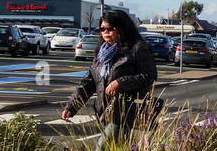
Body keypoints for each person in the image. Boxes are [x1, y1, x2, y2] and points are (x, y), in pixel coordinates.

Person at [61, 9, 159, 139]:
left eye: (110, 28)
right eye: (102, 29)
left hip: (124, 111)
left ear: (121, 28)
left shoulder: (138, 48)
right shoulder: (101, 53)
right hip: (104, 112)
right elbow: (88, 83)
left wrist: (120, 83)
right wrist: (72, 106)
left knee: (102, 149)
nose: (106, 32)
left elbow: (149, 76)